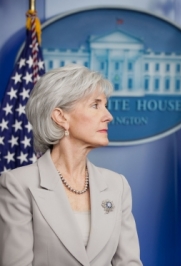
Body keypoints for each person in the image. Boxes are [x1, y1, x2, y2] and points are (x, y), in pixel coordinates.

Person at [0, 65, 142, 266]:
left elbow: (129, 262)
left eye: (105, 105)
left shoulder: (117, 185)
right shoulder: (17, 184)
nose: (108, 116)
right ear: (61, 117)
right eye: (95, 105)